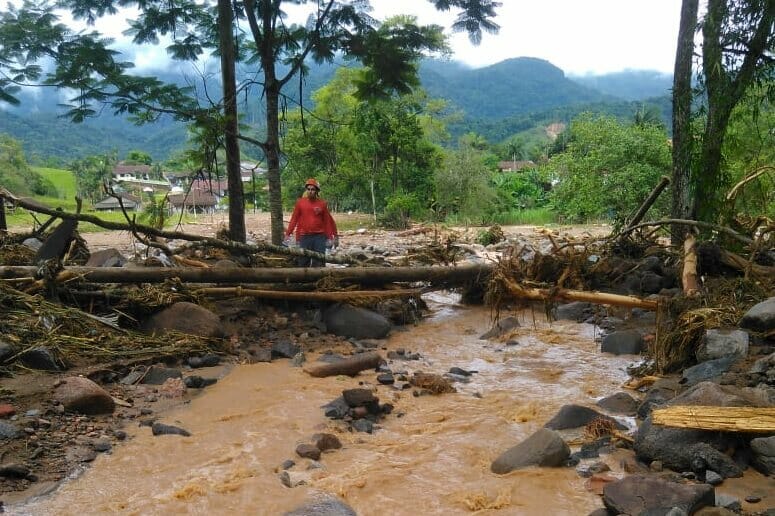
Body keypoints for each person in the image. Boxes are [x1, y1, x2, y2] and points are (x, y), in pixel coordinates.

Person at [284, 178, 338, 267]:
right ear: (306, 190)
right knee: (303, 261)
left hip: (319, 237)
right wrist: (288, 234)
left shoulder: (322, 204)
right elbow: (294, 219)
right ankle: (304, 280)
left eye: (313, 189)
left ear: (316, 191)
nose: (310, 191)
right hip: (304, 237)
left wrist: (331, 237)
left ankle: (319, 280)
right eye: (308, 189)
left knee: (319, 261)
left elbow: (327, 222)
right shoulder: (300, 203)